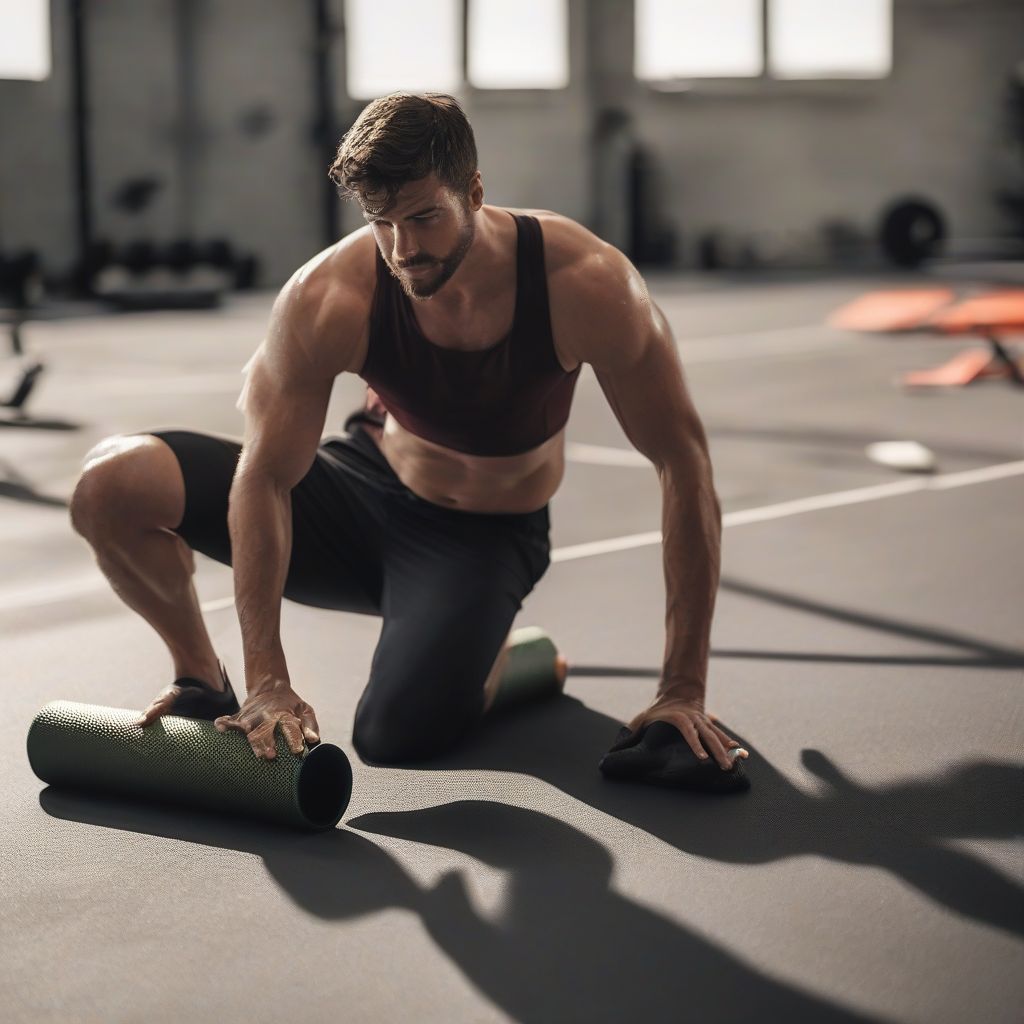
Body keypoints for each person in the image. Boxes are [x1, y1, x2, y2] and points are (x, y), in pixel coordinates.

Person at [68, 93, 749, 774]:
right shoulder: (329, 293)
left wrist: (682, 690)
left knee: (394, 736)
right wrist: (266, 677)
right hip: (356, 491)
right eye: (382, 222)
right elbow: (266, 475)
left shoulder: (585, 282)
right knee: (110, 483)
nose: (405, 249)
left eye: (425, 217)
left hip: (477, 539)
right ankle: (199, 679)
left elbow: (681, 463)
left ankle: (504, 662)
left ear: (474, 191)